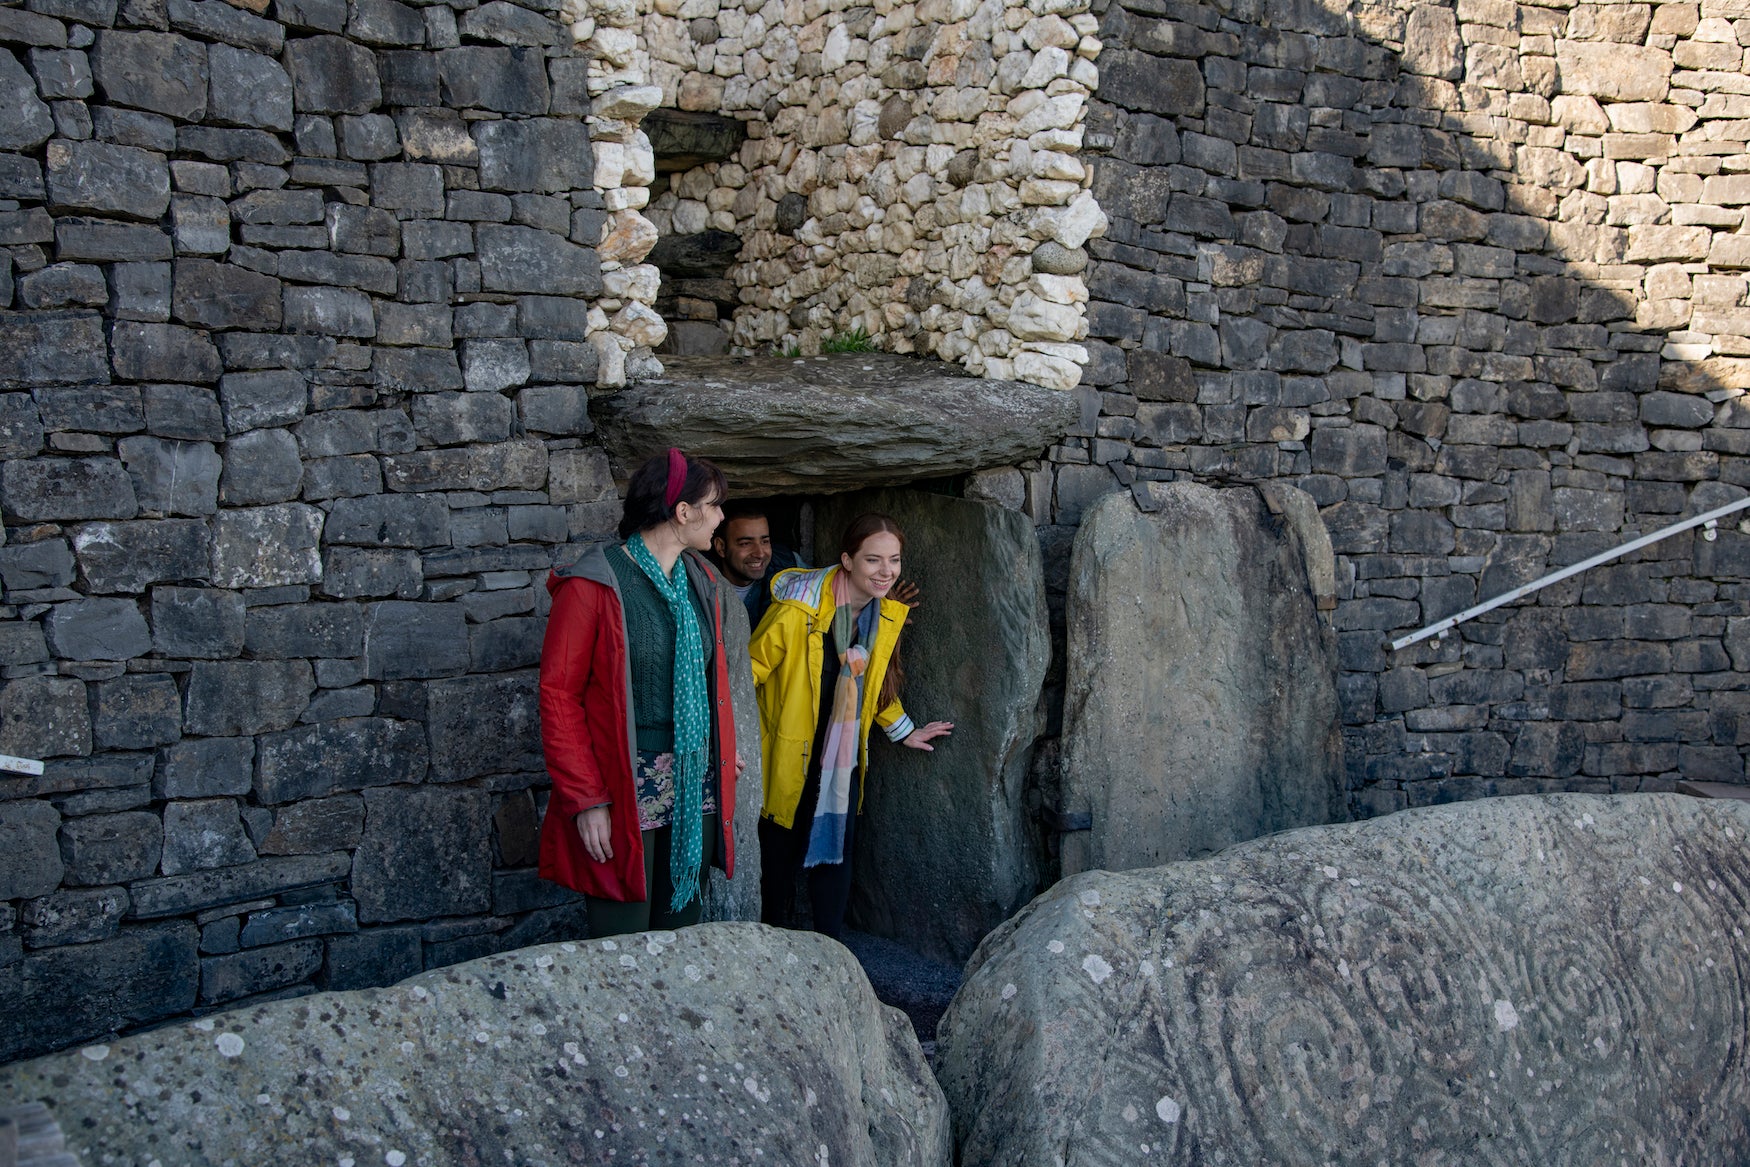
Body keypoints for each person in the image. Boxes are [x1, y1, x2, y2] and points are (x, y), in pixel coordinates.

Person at [536, 448, 742, 937]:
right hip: (626, 784)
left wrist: (723, 750)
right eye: (713, 505)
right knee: (622, 941)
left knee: (682, 935)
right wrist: (587, 799)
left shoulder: (701, 580)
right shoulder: (595, 582)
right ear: (683, 511)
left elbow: (713, 683)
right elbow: (558, 697)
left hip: (696, 780)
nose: (721, 517)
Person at [748, 512, 953, 938]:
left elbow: (873, 685)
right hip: (789, 753)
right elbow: (746, 673)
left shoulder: (883, 615)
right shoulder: (796, 611)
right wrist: (733, 744)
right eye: (873, 560)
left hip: (841, 757)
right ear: (847, 560)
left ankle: (833, 960)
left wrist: (904, 730)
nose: (886, 572)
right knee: (777, 863)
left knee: (837, 856)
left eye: (894, 560)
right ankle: (769, 955)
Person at [710, 503, 807, 630]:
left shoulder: (788, 566)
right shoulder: (700, 583)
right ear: (721, 547)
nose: (760, 553)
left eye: (765, 541)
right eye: (746, 544)